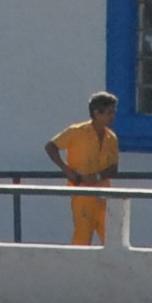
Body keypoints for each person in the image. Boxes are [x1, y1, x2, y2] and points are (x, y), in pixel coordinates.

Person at [44, 90, 119, 245]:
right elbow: (51, 147)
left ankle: (114, 268)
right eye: (109, 113)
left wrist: (97, 176)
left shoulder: (111, 137)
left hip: (104, 193)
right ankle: (76, 267)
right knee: (83, 235)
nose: (113, 116)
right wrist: (67, 171)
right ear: (97, 113)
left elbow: (114, 167)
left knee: (112, 237)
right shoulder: (77, 132)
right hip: (82, 192)